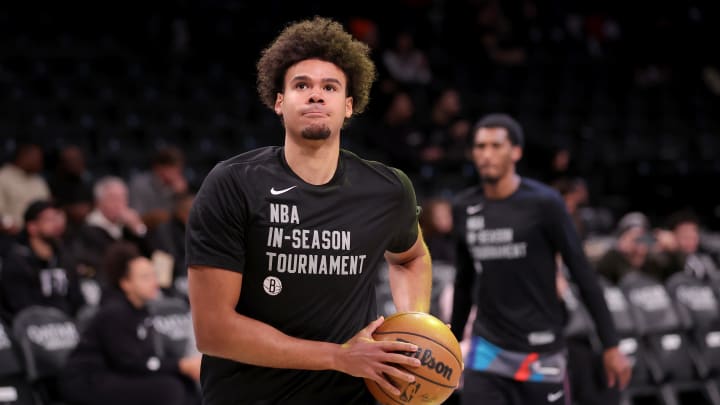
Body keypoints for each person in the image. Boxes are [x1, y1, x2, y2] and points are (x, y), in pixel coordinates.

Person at [185, 16, 433, 405]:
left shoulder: (387, 189)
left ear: (349, 106)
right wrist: (339, 357)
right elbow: (213, 331)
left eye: (330, 87)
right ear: (279, 102)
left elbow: (411, 257)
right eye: (302, 85)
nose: (316, 95)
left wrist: (414, 325)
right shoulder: (232, 184)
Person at [450, 113, 631, 405]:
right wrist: (453, 342)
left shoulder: (544, 203)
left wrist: (611, 344)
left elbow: (583, 274)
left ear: (516, 152)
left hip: (540, 351)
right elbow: (464, 282)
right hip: (487, 352)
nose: (486, 154)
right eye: (480, 147)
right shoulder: (464, 206)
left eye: (496, 146)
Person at [59, 242, 201, 405]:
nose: (154, 282)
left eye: (154, 275)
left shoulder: (141, 309)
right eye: (145, 277)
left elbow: (144, 358)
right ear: (125, 283)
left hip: (115, 373)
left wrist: (180, 367)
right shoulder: (113, 313)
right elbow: (129, 362)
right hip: (89, 380)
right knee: (168, 389)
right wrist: (180, 365)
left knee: (185, 383)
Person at [0, 200, 85, 321]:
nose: (56, 225)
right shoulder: (17, 262)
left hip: (68, 327)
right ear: (32, 227)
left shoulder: (65, 259)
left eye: (56, 219)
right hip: (34, 330)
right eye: (49, 220)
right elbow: (21, 308)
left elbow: (78, 300)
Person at [128, 146, 189, 230]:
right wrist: (162, 216)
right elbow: (137, 217)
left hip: (169, 233)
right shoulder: (140, 184)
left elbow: (183, 217)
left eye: (179, 170)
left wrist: (182, 195)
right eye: (173, 170)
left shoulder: (178, 187)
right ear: (159, 168)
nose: (177, 174)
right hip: (146, 231)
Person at [0, 143, 51, 234]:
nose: (40, 162)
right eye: (37, 158)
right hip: (13, 234)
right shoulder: (3, 177)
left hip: (40, 232)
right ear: (23, 156)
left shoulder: (39, 181)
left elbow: (48, 206)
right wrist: (7, 225)